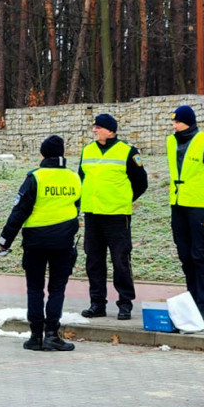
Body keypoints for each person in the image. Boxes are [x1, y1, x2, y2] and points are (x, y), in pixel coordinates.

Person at [0, 135, 82, 352]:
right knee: (57, 289)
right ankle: (52, 335)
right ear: (62, 153)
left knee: (35, 288)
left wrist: (4, 241)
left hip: (35, 243)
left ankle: (35, 336)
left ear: (43, 154)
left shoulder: (35, 177)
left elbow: (19, 212)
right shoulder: (74, 178)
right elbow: (77, 207)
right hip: (63, 242)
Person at [76, 113, 148, 321]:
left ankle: (125, 304)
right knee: (94, 261)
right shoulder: (88, 150)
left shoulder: (128, 151)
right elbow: (82, 178)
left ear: (111, 130)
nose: (94, 130)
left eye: (98, 127)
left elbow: (141, 182)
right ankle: (97, 303)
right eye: (94, 127)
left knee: (120, 260)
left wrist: (125, 198)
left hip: (117, 215)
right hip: (92, 214)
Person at [166, 105, 204, 323]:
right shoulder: (171, 141)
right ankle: (190, 303)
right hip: (178, 204)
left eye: (178, 122)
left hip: (199, 208)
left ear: (188, 122)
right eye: (173, 122)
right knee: (185, 255)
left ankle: (203, 307)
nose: (174, 126)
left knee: (200, 255)